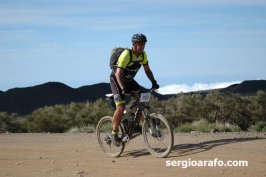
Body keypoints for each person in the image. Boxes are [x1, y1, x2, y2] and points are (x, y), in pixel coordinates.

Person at [109, 33, 159, 146]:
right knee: (120, 107)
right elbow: (118, 74)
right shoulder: (127, 54)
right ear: (134, 44)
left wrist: (153, 82)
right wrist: (123, 88)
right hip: (117, 80)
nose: (142, 46)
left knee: (143, 100)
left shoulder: (143, 55)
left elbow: (147, 70)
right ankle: (114, 133)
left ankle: (133, 123)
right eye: (140, 44)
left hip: (129, 80)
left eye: (144, 44)